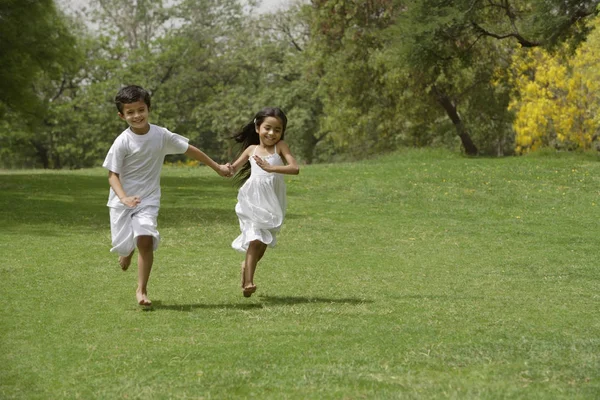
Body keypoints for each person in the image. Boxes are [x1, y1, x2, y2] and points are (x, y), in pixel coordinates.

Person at [103, 85, 231, 306]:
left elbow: (189, 149)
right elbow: (112, 176)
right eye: (130, 112)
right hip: (122, 201)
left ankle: (141, 290)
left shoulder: (160, 135)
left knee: (145, 238)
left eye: (140, 109)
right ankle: (127, 250)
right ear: (121, 115)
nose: (136, 116)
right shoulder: (122, 142)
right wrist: (124, 198)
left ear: (149, 108)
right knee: (124, 245)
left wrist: (216, 166)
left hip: (148, 199)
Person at [229, 107, 299, 297]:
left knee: (263, 242)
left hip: (273, 200)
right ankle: (249, 283)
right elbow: (233, 168)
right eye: (268, 128)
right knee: (255, 239)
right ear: (258, 127)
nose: (272, 133)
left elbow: (294, 168)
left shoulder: (280, 147)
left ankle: (246, 267)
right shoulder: (251, 150)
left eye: (277, 130)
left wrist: (271, 167)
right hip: (252, 199)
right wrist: (224, 168)